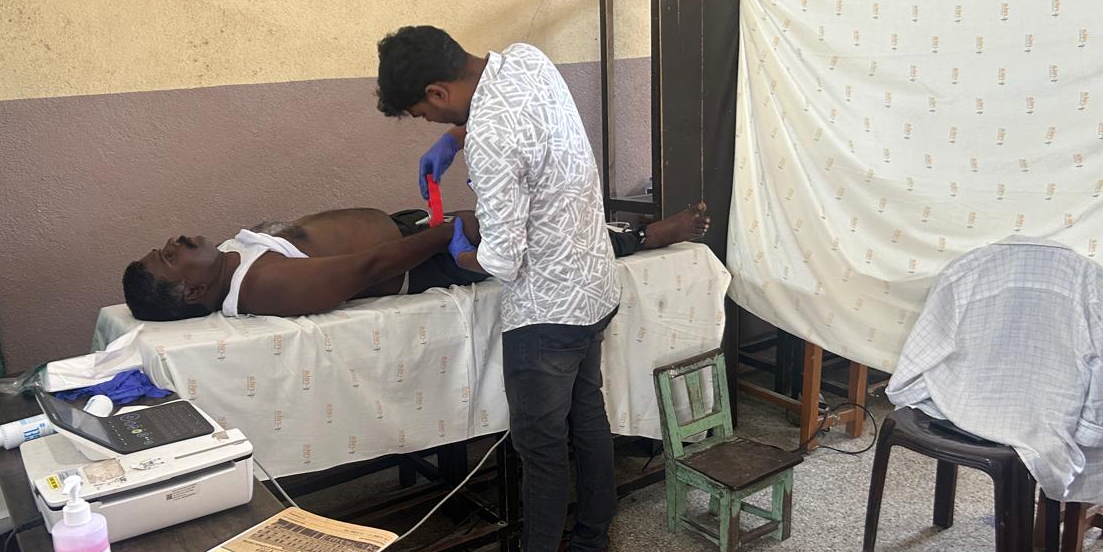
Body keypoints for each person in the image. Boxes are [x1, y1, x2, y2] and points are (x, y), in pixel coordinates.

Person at [377, 25, 707, 552]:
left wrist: (458, 248)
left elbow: (503, 261)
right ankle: (591, 550)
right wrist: (453, 137)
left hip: (547, 313)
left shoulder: (490, 138)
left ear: (438, 90)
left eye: (426, 115)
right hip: (594, 287)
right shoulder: (525, 60)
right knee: (589, 421)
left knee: (542, 451)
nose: (431, 123)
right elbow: (509, 123)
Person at [121, 203, 708, 322]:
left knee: (531, 218)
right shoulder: (263, 287)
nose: (174, 240)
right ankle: (647, 236)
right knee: (545, 245)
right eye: (170, 257)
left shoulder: (230, 262)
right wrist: (446, 234)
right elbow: (362, 271)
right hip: (427, 261)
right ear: (193, 292)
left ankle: (622, 227)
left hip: (412, 234)